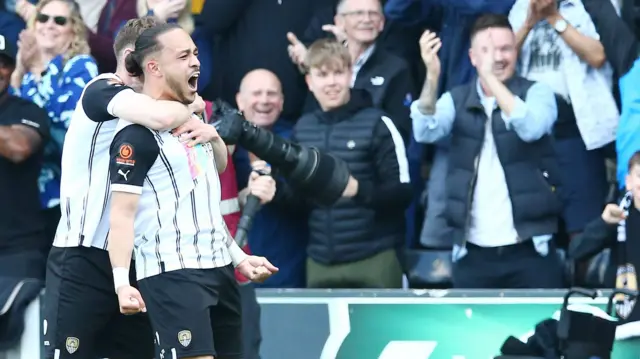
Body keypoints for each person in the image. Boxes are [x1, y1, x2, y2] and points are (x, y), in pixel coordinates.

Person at [107, 23, 278, 359]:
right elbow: (121, 215)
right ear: (154, 67)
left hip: (219, 269)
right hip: (172, 273)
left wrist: (239, 259)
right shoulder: (135, 136)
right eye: (184, 56)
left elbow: (203, 201)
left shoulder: (196, 121)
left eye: (196, 54)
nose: (195, 63)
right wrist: (121, 282)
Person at [42, 17, 206, 359]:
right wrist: (191, 104)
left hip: (136, 261)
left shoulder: (166, 104)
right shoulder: (102, 88)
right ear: (134, 59)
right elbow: (159, 116)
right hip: (81, 257)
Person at [411, 14, 563, 288]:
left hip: (530, 249)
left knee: (542, 330)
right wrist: (432, 76)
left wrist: (491, 81)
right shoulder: (456, 99)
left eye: (505, 48)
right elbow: (425, 130)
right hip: (472, 253)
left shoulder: (538, 93)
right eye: (487, 51)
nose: (498, 57)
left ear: (516, 52)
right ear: (472, 57)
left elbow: (531, 127)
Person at [276, 38, 412, 288]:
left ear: (350, 75)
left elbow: (403, 194)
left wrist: (359, 190)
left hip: (375, 258)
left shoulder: (379, 123)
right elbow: (298, 201)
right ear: (309, 82)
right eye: (322, 74)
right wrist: (273, 188)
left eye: (338, 72)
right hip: (320, 261)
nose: (331, 82)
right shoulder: (303, 130)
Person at [234, 69, 308, 289]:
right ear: (240, 100)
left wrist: (278, 192)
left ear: (282, 101)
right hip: (237, 259)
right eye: (257, 93)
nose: (264, 100)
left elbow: (308, 198)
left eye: (271, 94)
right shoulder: (222, 143)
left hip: (288, 260)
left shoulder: (298, 140)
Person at [0, 33, 51, 280]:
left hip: (17, 250)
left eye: (4, 62)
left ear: (12, 70)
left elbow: (18, 148)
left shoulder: (28, 111)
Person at [569, 150, 640, 325]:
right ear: (628, 182)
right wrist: (603, 223)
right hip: (627, 323)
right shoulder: (618, 216)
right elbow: (577, 251)